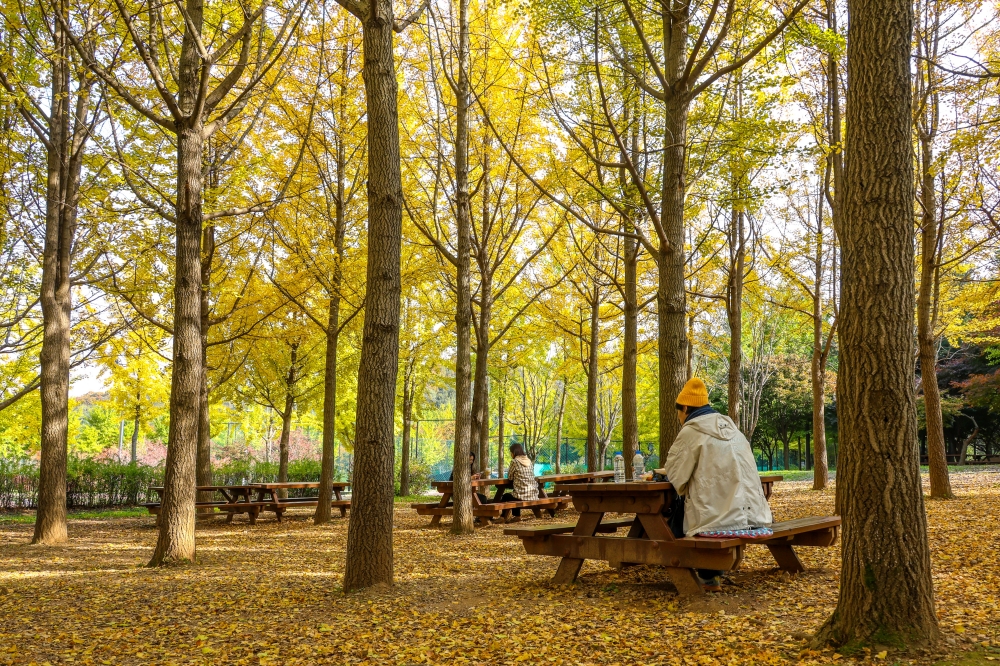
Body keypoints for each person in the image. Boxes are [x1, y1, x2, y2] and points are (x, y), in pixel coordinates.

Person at [662, 377, 773, 592]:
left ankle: (706, 575)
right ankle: (710, 574)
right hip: (753, 517)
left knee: (673, 513)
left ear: (684, 408)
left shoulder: (691, 432)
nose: (679, 419)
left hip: (717, 521)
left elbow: (676, 477)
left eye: (679, 413)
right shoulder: (733, 430)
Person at [500, 443, 538, 522]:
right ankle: (515, 516)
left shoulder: (514, 461)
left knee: (506, 496)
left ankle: (504, 517)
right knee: (515, 494)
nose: (511, 454)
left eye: (511, 452)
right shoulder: (529, 461)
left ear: (514, 452)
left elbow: (510, 477)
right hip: (533, 494)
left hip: (521, 495)